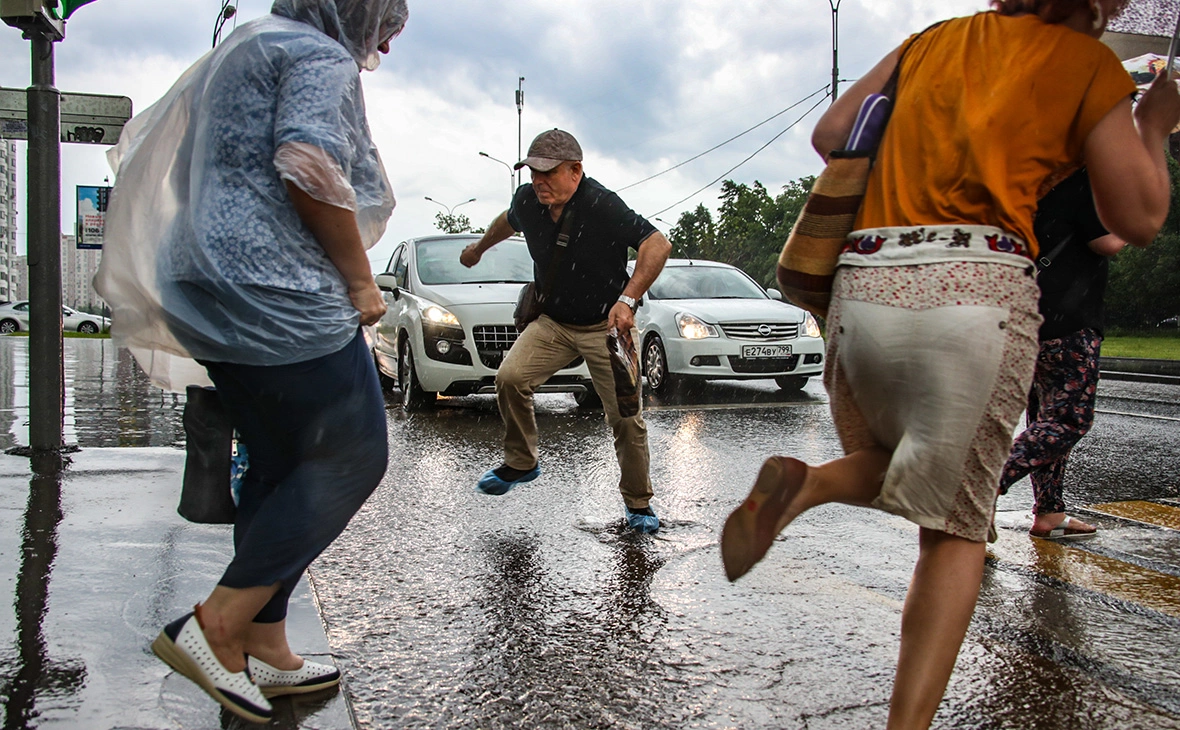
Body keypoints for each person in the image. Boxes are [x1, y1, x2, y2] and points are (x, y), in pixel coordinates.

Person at [719, 2, 1180, 728]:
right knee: (957, 528)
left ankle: (807, 484)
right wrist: (1151, 124)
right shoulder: (1087, 66)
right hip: (977, 292)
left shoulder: (930, 41)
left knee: (908, 460)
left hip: (863, 282)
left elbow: (832, 133)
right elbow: (1139, 217)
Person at [94, 0, 407, 723]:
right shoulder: (317, 56)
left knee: (279, 463)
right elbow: (305, 160)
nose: (380, 50)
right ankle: (217, 627)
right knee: (352, 457)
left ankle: (265, 644)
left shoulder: (245, 46)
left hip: (201, 279)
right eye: (382, 31)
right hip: (277, 288)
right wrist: (361, 280)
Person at [459, 129, 672, 533]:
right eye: (531, 171)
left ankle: (638, 505)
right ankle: (522, 462)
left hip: (604, 327)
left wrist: (627, 300)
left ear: (575, 171)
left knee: (627, 418)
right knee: (509, 378)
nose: (538, 181)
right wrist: (478, 249)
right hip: (553, 322)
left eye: (548, 173)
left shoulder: (600, 203)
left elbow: (656, 244)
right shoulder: (528, 200)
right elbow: (507, 222)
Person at [1000, 168, 1133, 540]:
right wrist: (1129, 220)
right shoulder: (1083, 180)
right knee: (1068, 421)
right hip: (1068, 320)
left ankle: (1050, 512)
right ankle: (979, 484)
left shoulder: (1022, 182)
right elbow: (1107, 241)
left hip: (1024, 316)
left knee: (1043, 420)